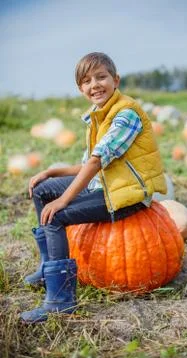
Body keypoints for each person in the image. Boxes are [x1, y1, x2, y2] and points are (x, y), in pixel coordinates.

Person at [20, 52, 167, 323]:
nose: (94, 85)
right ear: (80, 88)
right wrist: (52, 171)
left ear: (116, 80)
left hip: (127, 196)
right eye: (87, 81)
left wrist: (64, 200)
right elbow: (89, 164)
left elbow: (97, 162)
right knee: (43, 189)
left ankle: (60, 301)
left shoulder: (126, 115)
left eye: (101, 77)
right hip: (107, 185)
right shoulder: (98, 115)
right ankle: (46, 267)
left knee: (56, 216)